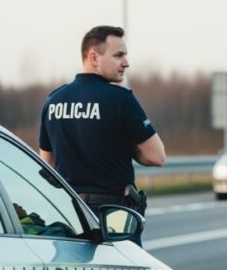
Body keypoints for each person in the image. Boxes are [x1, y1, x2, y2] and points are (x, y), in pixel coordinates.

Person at [38, 25, 166, 245]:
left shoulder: (53, 101)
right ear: (94, 57)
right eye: (118, 55)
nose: (126, 62)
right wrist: (128, 146)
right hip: (113, 217)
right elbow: (157, 156)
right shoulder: (121, 100)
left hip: (68, 215)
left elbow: (47, 165)